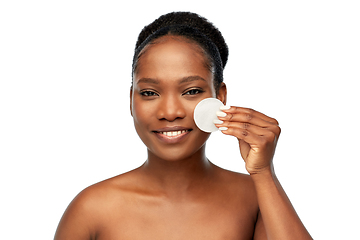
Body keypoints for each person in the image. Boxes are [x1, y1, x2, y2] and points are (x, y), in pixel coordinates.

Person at [54, 12, 312, 239]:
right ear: (130, 100)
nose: (170, 112)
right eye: (149, 93)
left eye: (191, 91)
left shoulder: (255, 200)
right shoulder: (91, 209)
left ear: (219, 97)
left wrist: (264, 174)